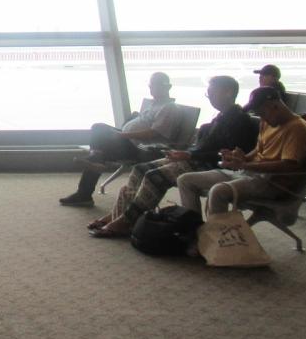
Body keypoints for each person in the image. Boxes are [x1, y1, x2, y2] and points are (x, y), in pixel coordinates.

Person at [86, 75, 257, 237]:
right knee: (140, 169)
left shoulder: (238, 121)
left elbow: (226, 155)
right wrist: (186, 153)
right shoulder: (221, 117)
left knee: (154, 177)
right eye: (208, 93)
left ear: (228, 93)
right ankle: (118, 214)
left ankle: (126, 221)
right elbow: (204, 148)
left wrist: (189, 155)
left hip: (209, 165)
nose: (209, 97)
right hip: (194, 158)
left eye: (212, 92)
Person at [175, 86, 306, 217]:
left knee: (218, 192)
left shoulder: (297, 128)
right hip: (249, 174)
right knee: (185, 180)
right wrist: (242, 158)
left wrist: (245, 165)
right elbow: (259, 150)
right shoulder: (267, 122)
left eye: (262, 113)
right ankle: (194, 227)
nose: (262, 118)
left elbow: (289, 165)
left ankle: (219, 232)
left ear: (274, 105)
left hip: (271, 182)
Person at [59, 71, 184, 207]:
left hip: (138, 148)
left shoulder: (169, 108)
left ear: (167, 87)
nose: (151, 88)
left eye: (155, 85)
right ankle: (96, 160)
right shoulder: (155, 104)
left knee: (100, 135)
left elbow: (152, 133)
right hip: (128, 140)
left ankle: (87, 184)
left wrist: (123, 135)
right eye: (150, 85)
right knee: (98, 127)